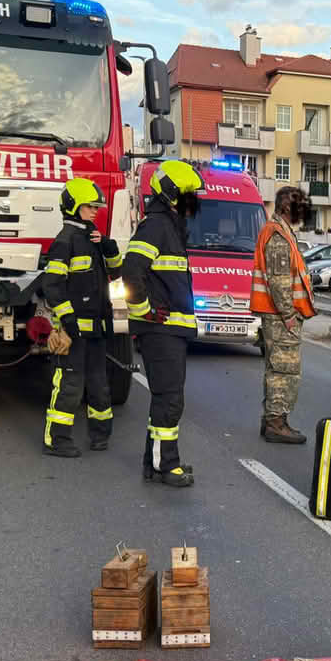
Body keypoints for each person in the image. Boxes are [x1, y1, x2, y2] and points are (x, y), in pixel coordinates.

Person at [124, 160, 202, 488]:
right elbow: (131, 270)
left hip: (169, 329)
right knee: (170, 400)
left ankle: (154, 460)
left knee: (165, 398)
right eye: (188, 195)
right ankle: (165, 465)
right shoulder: (157, 226)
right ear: (171, 194)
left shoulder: (168, 226)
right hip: (161, 330)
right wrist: (144, 310)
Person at [38, 177, 123, 457]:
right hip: (74, 332)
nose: (95, 211)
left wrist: (109, 248)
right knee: (69, 385)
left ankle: (100, 435)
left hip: (96, 331)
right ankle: (56, 440)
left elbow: (116, 272)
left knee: (99, 385)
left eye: (96, 206)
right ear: (74, 206)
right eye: (90, 206)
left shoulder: (93, 238)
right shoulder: (64, 242)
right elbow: (52, 286)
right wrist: (68, 321)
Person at [250, 185, 314, 443]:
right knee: (283, 370)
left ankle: (273, 420)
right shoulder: (277, 235)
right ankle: (277, 423)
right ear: (288, 207)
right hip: (280, 316)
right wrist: (289, 314)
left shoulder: (281, 232)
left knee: (277, 368)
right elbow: (278, 281)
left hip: (278, 315)